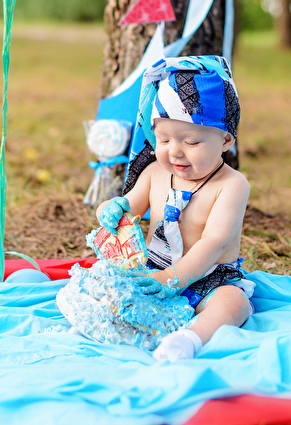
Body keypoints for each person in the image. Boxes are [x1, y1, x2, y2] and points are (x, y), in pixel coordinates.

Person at [95, 56, 254, 362]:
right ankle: (102, 325)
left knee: (234, 303)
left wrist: (176, 277)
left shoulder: (232, 184)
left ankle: (189, 338)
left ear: (225, 140)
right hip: (153, 270)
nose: (175, 151)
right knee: (109, 282)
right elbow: (128, 210)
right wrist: (109, 209)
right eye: (164, 139)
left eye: (191, 142)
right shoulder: (155, 172)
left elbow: (215, 241)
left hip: (209, 276)